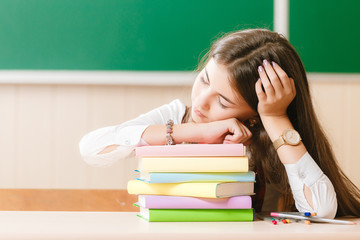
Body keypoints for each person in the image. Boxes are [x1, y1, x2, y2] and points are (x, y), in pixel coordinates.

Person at [79, 29, 360, 218]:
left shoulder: (273, 137)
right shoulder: (181, 116)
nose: (201, 102)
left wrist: (275, 118)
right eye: (204, 80)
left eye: (223, 102)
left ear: (254, 113)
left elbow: (321, 211)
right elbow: (91, 148)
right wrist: (193, 131)